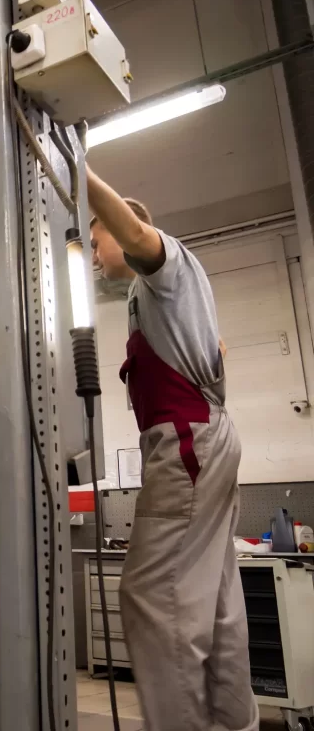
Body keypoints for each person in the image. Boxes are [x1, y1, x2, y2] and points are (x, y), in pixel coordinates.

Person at [87, 165, 258, 731]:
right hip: (207, 438)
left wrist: (77, 169)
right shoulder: (151, 299)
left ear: (126, 226)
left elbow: (138, 237)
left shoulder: (164, 267)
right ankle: (235, 723)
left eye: (95, 239)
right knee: (213, 599)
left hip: (188, 443)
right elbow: (216, 347)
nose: (91, 254)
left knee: (154, 596)